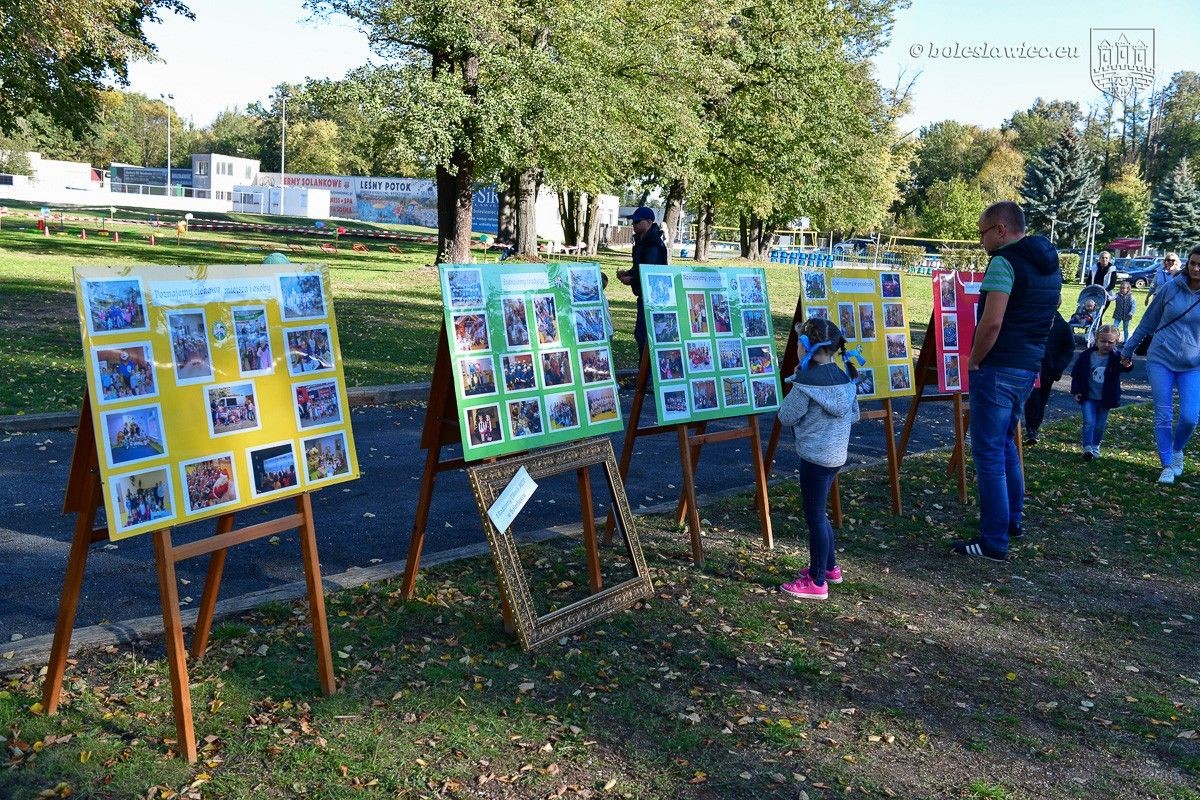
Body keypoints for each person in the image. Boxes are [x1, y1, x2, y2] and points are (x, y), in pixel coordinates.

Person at [952, 201, 1061, 562]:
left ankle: (994, 540)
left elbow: (992, 322)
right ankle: (1013, 520)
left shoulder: (1004, 262)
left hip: (998, 367)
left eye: (982, 232)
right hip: (1027, 365)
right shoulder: (1049, 264)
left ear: (1000, 229)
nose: (981, 240)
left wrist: (975, 360)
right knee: (1007, 445)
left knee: (989, 454)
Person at [777, 318, 861, 601]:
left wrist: (794, 383)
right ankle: (829, 567)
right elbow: (855, 415)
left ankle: (816, 581)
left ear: (806, 348)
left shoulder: (805, 386)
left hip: (814, 459)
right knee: (820, 514)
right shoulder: (846, 378)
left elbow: (785, 416)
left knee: (814, 517)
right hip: (836, 456)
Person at [1121, 245, 1200, 484]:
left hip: (1193, 364)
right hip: (1161, 359)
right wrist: (1128, 349)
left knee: (1189, 417)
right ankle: (1166, 463)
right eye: (1193, 263)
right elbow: (1148, 321)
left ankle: (1177, 449)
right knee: (1163, 415)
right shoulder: (1171, 288)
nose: (1196, 268)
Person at [1070, 325, 1133, 459]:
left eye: (1110, 342)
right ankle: (1087, 448)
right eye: (1103, 341)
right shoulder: (1086, 356)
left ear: (1116, 342)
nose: (1106, 345)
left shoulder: (1116, 357)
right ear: (1096, 340)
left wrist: (1128, 364)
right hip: (1088, 396)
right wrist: (1076, 391)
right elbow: (1077, 374)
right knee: (1089, 422)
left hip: (1106, 398)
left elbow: (1124, 367)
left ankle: (1095, 446)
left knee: (1099, 425)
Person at [616, 206, 668, 356]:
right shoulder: (641, 241)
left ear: (649, 222)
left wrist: (631, 279)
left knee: (645, 336)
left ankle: (647, 375)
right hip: (645, 294)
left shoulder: (653, 243)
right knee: (642, 335)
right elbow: (640, 267)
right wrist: (629, 273)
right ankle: (644, 375)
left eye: (638, 221)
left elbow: (650, 271)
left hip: (653, 295)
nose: (634, 224)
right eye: (633, 221)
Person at [1023, 310, 1074, 446]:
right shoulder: (1032, 320)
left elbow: (1069, 348)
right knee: (1032, 398)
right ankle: (1031, 429)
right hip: (1032, 368)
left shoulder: (1062, 325)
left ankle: (1035, 426)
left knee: (1041, 400)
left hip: (1049, 370)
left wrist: (1058, 367)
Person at [1089, 250, 1117, 320]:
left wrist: (1104, 291)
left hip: (1106, 294)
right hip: (1094, 293)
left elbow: (1112, 284)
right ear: (1099, 259)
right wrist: (1089, 289)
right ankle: (1092, 328)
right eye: (1102, 257)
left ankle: (1098, 328)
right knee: (1092, 313)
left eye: (1106, 258)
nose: (1104, 259)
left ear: (1109, 259)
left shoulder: (1112, 269)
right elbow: (1089, 281)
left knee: (1099, 314)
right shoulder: (1094, 268)